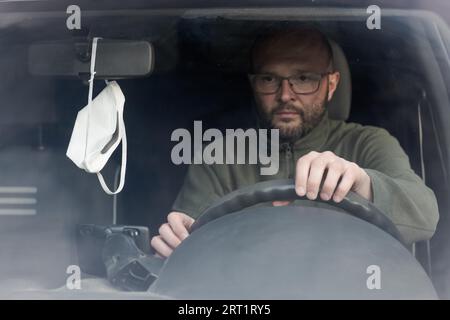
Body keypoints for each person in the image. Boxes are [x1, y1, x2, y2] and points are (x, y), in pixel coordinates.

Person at [151, 28, 439, 258]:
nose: (285, 94)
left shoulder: (367, 143)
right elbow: (189, 246)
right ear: (254, 84)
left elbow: (425, 216)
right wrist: (178, 243)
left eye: (303, 78)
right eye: (269, 79)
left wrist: (362, 182)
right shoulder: (222, 155)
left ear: (332, 84)